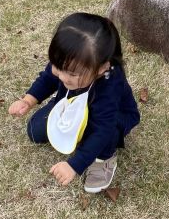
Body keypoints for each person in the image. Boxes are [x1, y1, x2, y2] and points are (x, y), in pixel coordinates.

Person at [8, 13, 140, 193]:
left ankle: (104, 160)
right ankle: (66, 111)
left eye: (71, 74)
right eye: (57, 66)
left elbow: (102, 129)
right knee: (34, 130)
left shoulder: (110, 85)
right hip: (70, 101)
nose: (62, 76)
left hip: (110, 119)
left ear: (102, 68)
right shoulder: (67, 60)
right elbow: (48, 78)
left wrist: (74, 165)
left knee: (102, 134)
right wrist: (28, 100)